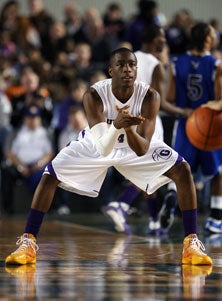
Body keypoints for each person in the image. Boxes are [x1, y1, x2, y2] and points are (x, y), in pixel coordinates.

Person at [5, 47, 212, 266]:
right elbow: (103, 148)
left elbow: (142, 149)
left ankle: (191, 244)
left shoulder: (149, 96)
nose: (128, 70)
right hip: (98, 143)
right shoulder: (94, 95)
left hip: (132, 146)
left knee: (183, 169)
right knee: (50, 174)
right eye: (121, 65)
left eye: (132, 65)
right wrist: (119, 126)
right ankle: (27, 243)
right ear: (110, 70)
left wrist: (129, 129)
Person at [102, 24, 187, 235]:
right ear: (155, 40)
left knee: (144, 170)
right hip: (147, 119)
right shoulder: (156, 64)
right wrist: (184, 111)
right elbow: (160, 102)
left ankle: (154, 220)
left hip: (123, 117)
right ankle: (122, 204)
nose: (164, 40)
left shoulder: (129, 58)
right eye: (161, 37)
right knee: (155, 169)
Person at [166, 22, 222, 234]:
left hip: (185, 122)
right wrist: (206, 108)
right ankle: (216, 218)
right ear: (207, 40)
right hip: (210, 124)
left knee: (179, 168)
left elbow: (170, 98)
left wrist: (185, 111)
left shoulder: (176, 62)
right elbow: (220, 100)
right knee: (217, 173)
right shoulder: (216, 65)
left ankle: (171, 196)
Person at [1, 105, 54, 215]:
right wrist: (20, 167)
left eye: (36, 118)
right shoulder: (16, 132)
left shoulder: (46, 133)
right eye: (30, 117)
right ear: (24, 119)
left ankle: (42, 210)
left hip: (38, 166)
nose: (33, 120)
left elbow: (50, 153)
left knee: (46, 175)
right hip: (19, 166)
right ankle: (8, 209)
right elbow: (9, 152)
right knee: (6, 173)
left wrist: (39, 164)